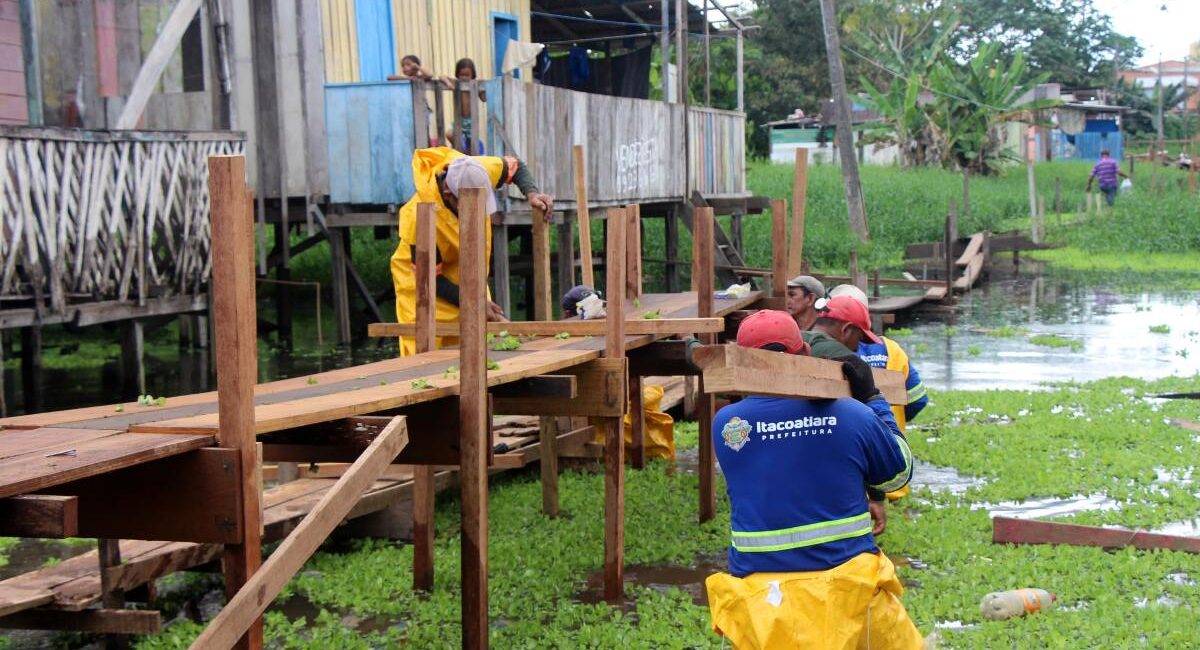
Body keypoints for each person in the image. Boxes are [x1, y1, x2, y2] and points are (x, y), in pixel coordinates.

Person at [705, 310, 922, 649]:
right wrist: (874, 401)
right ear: (806, 354)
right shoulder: (852, 414)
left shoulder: (727, 426)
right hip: (848, 594)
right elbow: (898, 474)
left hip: (764, 604)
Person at [389, 148, 553, 355]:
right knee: (424, 351)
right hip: (421, 283)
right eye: (468, 205)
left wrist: (533, 193)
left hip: (467, 274)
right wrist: (473, 301)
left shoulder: (474, 170)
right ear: (449, 194)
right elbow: (431, 280)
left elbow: (515, 166)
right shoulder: (418, 216)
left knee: (478, 345)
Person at [828, 285, 929, 501]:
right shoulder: (892, 349)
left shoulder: (825, 356)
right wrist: (894, 420)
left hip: (849, 489)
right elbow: (919, 399)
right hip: (894, 480)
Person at [443, 58, 486, 154]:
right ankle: (461, 152)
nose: (464, 77)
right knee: (450, 134)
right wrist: (448, 83)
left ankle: (469, 156)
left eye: (467, 75)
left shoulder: (474, 85)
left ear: (472, 75)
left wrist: (483, 88)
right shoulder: (456, 83)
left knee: (470, 141)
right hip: (459, 119)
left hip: (471, 120)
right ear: (457, 74)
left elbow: (484, 99)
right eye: (461, 75)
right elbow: (442, 76)